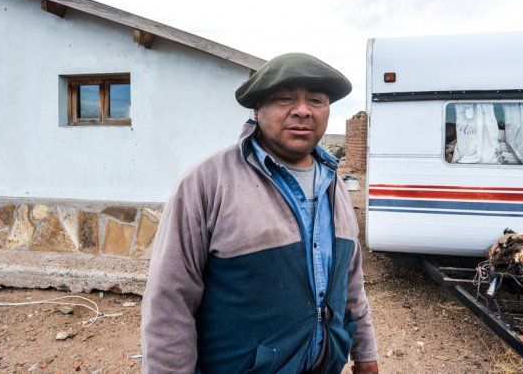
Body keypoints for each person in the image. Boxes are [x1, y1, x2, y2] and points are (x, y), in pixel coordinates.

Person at [141, 53, 379, 373]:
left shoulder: (332, 182)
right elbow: (169, 303)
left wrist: (365, 353)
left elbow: (351, 282)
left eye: (316, 99)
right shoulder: (207, 182)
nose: (303, 110)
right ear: (257, 109)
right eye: (284, 98)